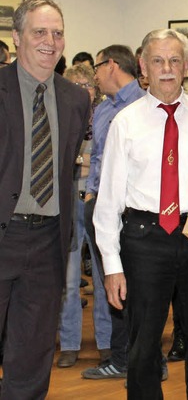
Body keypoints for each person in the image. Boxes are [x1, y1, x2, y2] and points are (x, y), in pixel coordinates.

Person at [94, 29, 188, 399]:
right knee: (143, 346)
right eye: (158, 61)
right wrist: (112, 265)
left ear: (187, 68)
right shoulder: (125, 123)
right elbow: (109, 201)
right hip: (144, 238)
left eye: (175, 61)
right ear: (144, 66)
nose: (167, 69)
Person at [0, 0, 91, 399]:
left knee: (33, 352)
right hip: (3, 234)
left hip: (48, 242)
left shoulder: (76, 99)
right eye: (39, 32)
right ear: (17, 36)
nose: (50, 41)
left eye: (57, 33)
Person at [80, 44, 148, 380]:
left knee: (138, 287)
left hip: (134, 214)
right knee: (113, 284)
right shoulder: (105, 109)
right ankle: (124, 358)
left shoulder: (144, 106)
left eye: (95, 68)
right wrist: (92, 196)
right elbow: (97, 159)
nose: (93, 76)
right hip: (101, 210)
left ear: (110, 65)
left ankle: (144, 360)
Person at [57, 63, 111, 368]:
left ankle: (105, 342)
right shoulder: (61, 117)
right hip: (67, 203)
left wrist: (80, 160)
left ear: (96, 88)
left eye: (86, 84)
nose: (81, 90)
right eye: (74, 84)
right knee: (69, 278)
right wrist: (86, 160)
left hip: (99, 203)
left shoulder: (106, 117)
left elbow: (106, 161)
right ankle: (69, 344)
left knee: (104, 277)